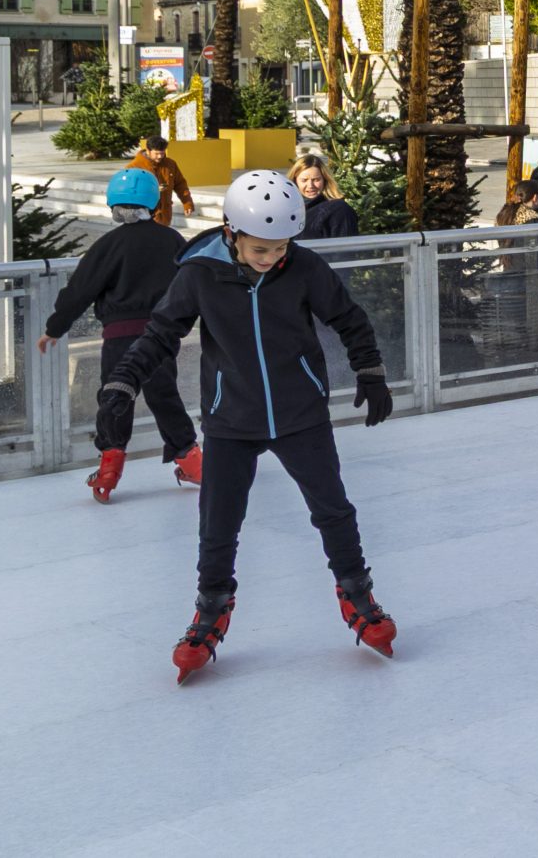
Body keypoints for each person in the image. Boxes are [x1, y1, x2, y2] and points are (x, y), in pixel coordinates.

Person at [96, 170, 397, 683]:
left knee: (333, 509)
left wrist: (369, 371)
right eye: (261, 249)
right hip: (230, 419)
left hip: (300, 415)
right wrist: (123, 384)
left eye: (280, 248)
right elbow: (160, 334)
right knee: (219, 522)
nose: (272, 258)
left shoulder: (302, 266)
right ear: (232, 233)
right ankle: (210, 607)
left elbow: (349, 318)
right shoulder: (198, 273)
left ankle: (357, 593)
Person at [42, 166, 201, 502]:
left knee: (116, 396)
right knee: (164, 396)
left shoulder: (107, 245)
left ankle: (109, 467)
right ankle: (192, 460)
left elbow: (80, 291)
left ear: (113, 206)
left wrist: (55, 328)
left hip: (120, 337)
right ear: (153, 205)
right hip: (161, 335)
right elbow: (192, 283)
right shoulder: (172, 240)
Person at [125, 135, 197, 226]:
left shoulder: (170, 164)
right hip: (143, 218)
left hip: (165, 217)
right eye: (157, 154)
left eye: (162, 153)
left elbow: (180, 185)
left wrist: (187, 203)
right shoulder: (133, 167)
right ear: (148, 151)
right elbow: (129, 191)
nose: (160, 156)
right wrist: (152, 189)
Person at [291, 154, 359, 240]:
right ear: (295, 181)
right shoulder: (288, 210)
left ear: (325, 180)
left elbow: (346, 248)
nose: (310, 185)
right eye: (304, 180)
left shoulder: (338, 210)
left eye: (316, 180)